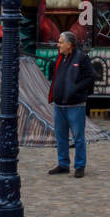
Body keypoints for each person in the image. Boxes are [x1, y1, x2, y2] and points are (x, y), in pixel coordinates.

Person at [47, 32, 94, 177]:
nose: (58, 45)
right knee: (61, 137)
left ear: (69, 44)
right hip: (59, 105)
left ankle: (80, 166)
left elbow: (90, 77)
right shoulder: (60, 58)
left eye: (61, 42)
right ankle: (63, 164)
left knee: (78, 137)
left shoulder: (81, 58)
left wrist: (76, 89)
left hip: (75, 105)